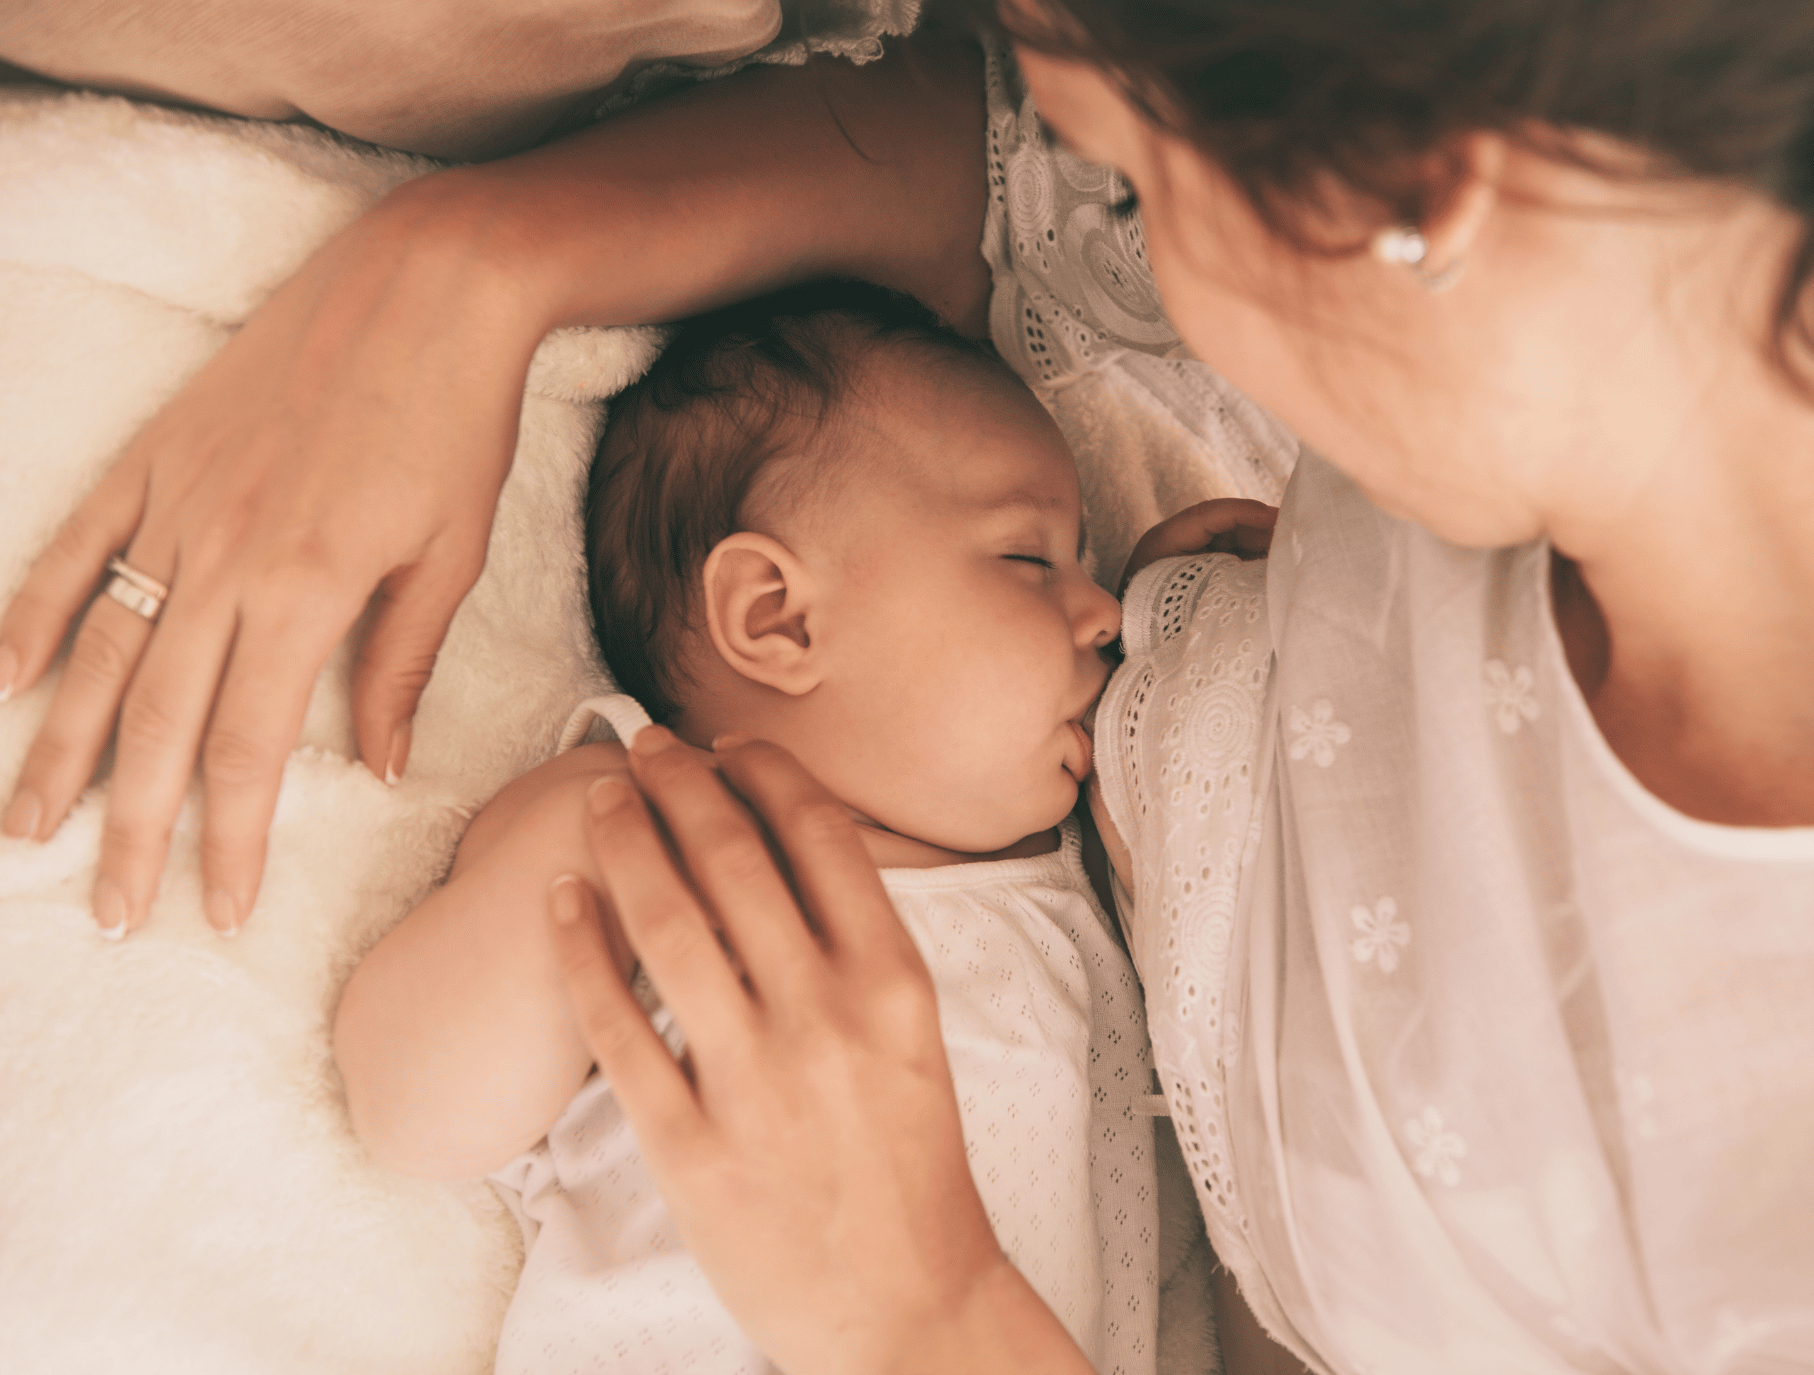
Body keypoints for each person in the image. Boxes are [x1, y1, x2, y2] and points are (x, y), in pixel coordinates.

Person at [6, 0, 1814, 1371]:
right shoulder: (1640, 305)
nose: (1107, 606)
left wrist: (920, 1317)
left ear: (1412, 198)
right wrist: (465, 265)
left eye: (1139, 168)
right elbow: (1011, 217)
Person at [331, 278, 1269, 1375]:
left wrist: (1205, 633)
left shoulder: (1081, 878)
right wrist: (577, 847)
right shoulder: (640, 821)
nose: (1100, 610)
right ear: (775, 616)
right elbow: (411, 1115)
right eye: (1028, 558)